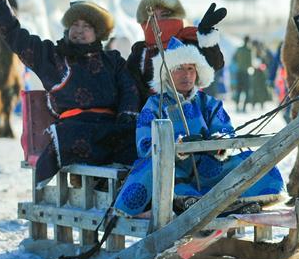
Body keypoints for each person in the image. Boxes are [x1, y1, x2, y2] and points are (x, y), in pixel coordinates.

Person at [0, 0, 139, 187]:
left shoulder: (112, 61)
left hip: (110, 129)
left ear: (98, 33)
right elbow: (16, 36)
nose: (79, 30)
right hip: (73, 130)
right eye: (75, 24)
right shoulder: (52, 57)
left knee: (137, 146)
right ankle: (87, 183)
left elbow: (129, 90)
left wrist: (126, 118)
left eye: (86, 26)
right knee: (77, 140)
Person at [113, 36, 284, 217]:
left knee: (252, 159)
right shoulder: (154, 104)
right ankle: (189, 202)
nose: (186, 75)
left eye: (190, 69)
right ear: (167, 73)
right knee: (159, 170)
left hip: (208, 167)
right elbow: (145, 144)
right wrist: (177, 147)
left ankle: (234, 201)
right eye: (179, 69)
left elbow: (226, 130)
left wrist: (220, 143)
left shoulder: (208, 103)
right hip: (175, 169)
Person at [127, 0, 226, 108]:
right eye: (153, 17)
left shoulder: (188, 41)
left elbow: (215, 63)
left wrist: (206, 36)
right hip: (149, 114)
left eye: (164, 15)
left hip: (189, 111)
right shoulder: (140, 51)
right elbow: (130, 84)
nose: (158, 21)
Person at [232, 36, 253, 112]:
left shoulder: (239, 49)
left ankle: (237, 107)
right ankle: (244, 108)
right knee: (246, 91)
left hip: (239, 72)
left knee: (238, 90)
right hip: (246, 73)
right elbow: (250, 63)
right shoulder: (249, 50)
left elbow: (234, 58)